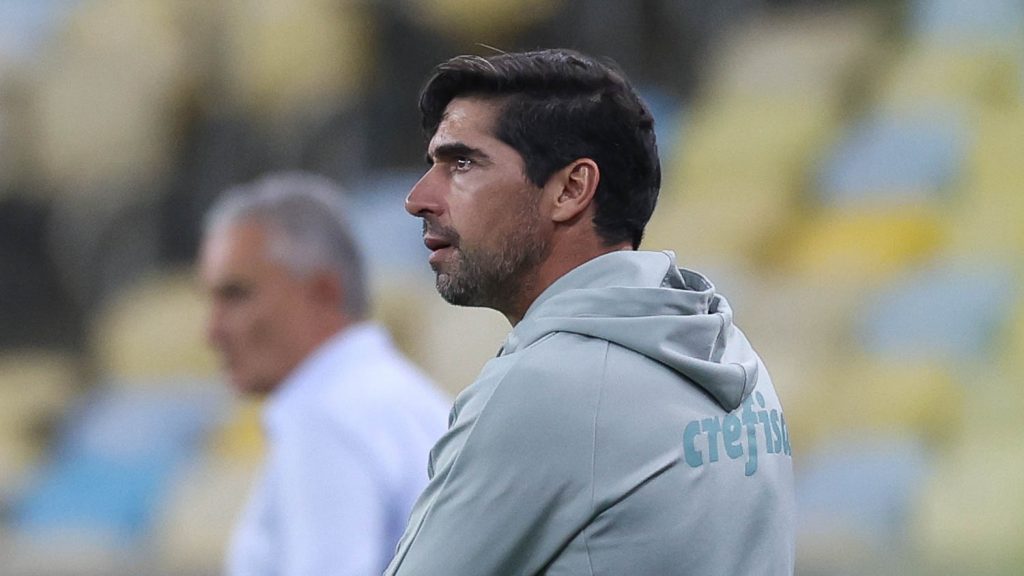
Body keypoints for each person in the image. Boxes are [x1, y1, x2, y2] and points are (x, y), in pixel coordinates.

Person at [385, 49, 795, 575]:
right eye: (432, 166)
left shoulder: (541, 390)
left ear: (571, 189)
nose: (418, 199)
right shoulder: (732, 352)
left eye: (462, 163)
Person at [197, 172, 450, 576]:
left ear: (323, 292)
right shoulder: (394, 394)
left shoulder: (324, 414)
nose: (212, 331)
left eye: (236, 295)